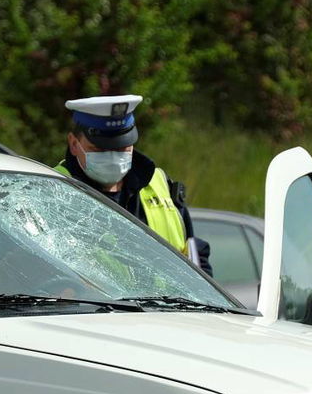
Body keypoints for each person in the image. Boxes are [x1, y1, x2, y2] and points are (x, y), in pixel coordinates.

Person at [53, 94, 211, 275]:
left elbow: (194, 255)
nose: (113, 156)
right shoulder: (53, 188)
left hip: (167, 303)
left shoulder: (159, 183)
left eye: (121, 148)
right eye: (100, 149)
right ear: (74, 143)